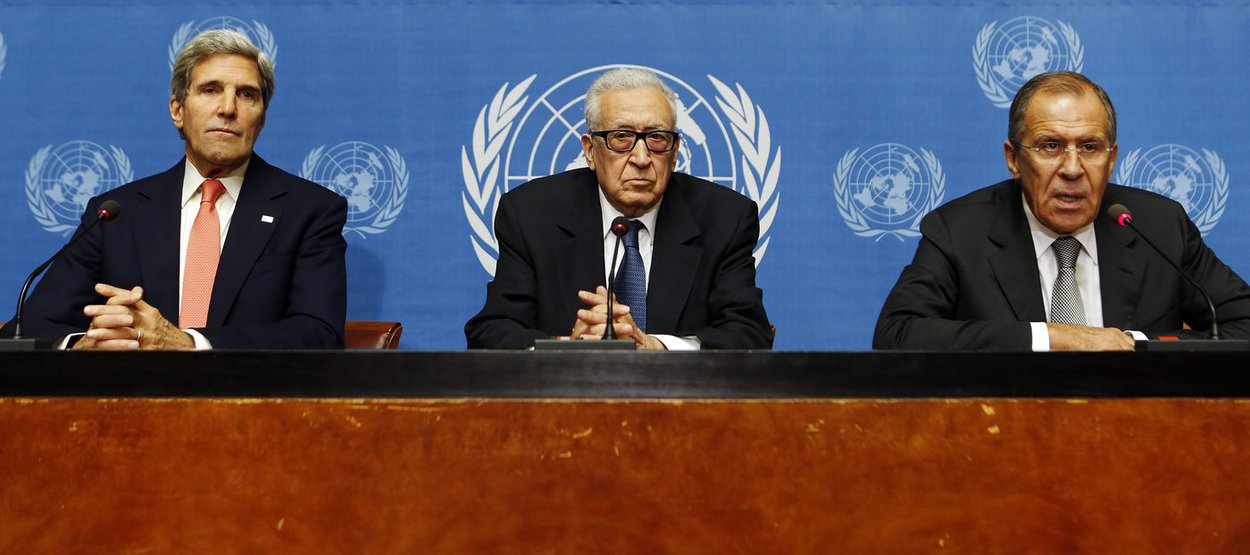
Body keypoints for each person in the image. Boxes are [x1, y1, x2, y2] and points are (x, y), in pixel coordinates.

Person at [2, 29, 347, 349]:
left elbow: (319, 333)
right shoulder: (116, 212)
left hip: (251, 404)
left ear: (261, 118)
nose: (228, 108)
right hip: (130, 404)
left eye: (246, 95)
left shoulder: (310, 210)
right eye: (210, 90)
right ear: (178, 110)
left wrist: (189, 344)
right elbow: (27, 328)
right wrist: (81, 346)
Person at [874, 70, 1250, 351]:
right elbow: (898, 333)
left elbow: (1242, 324)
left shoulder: (1159, 226)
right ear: (1014, 159)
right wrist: (1054, 336)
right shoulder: (959, 229)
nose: (1072, 169)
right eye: (1050, 146)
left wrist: (1136, 344)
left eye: (1089, 147)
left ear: (1112, 158)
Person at [465, 68, 772, 350]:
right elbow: (491, 332)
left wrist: (654, 347)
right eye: (621, 137)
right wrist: (568, 347)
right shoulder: (530, 214)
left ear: (675, 152)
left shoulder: (725, 218)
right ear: (589, 150)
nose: (641, 158)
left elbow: (748, 334)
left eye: (656, 138)